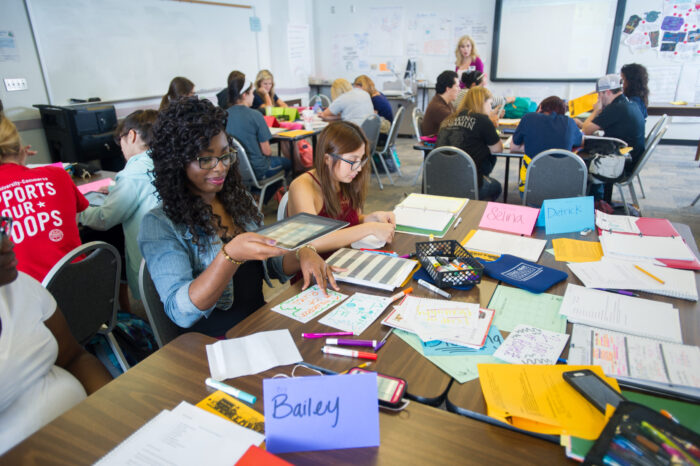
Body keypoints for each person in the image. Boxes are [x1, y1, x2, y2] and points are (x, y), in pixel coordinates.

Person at [138, 97, 337, 337]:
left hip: (258, 325)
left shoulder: (236, 199)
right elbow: (181, 312)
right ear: (177, 163)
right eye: (206, 159)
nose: (220, 167)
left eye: (225, 155)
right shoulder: (160, 224)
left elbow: (270, 264)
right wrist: (229, 256)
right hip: (211, 344)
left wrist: (303, 252)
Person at [0, 227, 112, 454]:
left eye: (2, 229)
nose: (8, 243)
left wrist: (116, 410)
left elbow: (74, 357)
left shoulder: (19, 285)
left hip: (95, 436)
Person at [79, 109, 159, 300]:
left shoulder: (132, 175)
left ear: (130, 136)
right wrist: (117, 189)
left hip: (151, 266)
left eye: (120, 141)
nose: (120, 148)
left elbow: (104, 218)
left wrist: (78, 212)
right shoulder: (164, 161)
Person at [0, 115, 88, 282]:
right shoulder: (58, 174)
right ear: (19, 147)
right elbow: (76, 217)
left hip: (28, 294)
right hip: (79, 283)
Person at [287, 121, 396, 252]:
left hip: (345, 257)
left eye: (361, 160)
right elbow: (313, 241)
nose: (359, 168)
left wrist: (370, 218)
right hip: (318, 267)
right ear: (327, 158)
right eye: (352, 160)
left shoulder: (346, 180)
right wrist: (370, 228)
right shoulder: (303, 186)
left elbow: (349, 222)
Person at [437, 86, 503, 201]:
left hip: (439, 181)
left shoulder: (448, 119)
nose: (491, 108)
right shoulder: (483, 120)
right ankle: (475, 212)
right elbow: (497, 149)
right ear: (482, 102)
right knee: (496, 187)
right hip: (467, 183)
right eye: (490, 104)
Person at [225, 71, 291, 180]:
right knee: (288, 163)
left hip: (234, 169)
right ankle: (264, 193)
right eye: (251, 93)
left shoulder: (224, 115)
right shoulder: (256, 115)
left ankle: (256, 193)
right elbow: (267, 152)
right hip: (259, 169)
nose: (253, 97)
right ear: (244, 95)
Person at [510, 96, 583, 194]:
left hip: (530, 189)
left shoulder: (528, 118)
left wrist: (531, 145)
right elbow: (581, 141)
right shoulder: (569, 122)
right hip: (562, 189)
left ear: (540, 108)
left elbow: (514, 147)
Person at [582, 74, 645, 170]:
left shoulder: (615, 108)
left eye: (599, 94)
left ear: (607, 92)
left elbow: (585, 131)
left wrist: (596, 110)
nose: (599, 98)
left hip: (621, 163)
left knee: (580, 154)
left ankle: (591, 184)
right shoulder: (628, 103)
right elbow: (594, 126)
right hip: (632, 157)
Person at [422, 70, 461, 136]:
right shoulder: (439, 108)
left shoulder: (445, 102)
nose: (459, 89)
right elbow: (458, 127)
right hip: (438, 145)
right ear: (448, 88)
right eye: (457, 86)